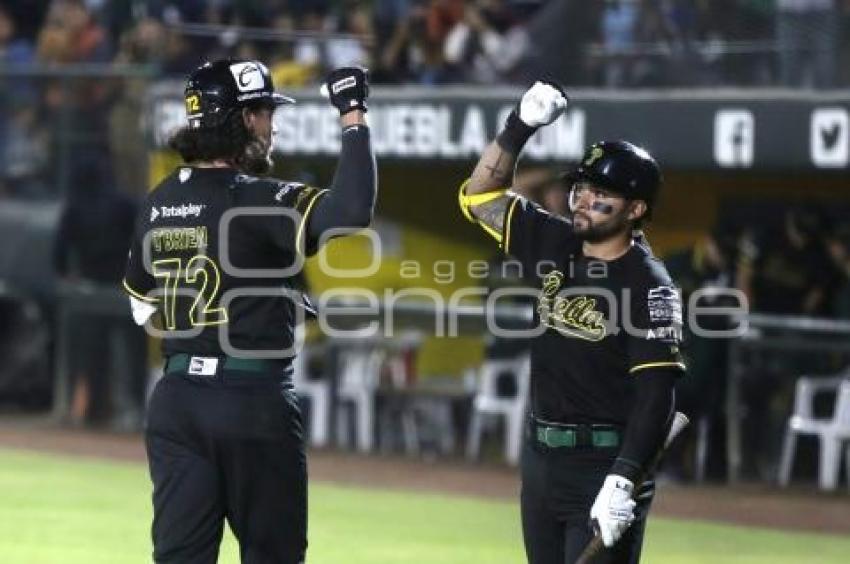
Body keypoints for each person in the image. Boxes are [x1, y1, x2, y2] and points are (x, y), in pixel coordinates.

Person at [122, 60, 375, 564]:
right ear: (237, 121)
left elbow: (139, 308)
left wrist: (253, 299)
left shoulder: (159, 201)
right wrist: (353, 114)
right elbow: (350, 210)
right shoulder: (256, 198)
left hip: (176, 401)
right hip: (250, 399)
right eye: (261, 111)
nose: (270, 124)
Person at [458, 81, 685, 563]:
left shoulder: (649, 284)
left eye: (601, 193)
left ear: (636, 209)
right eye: (582, 187)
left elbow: (657, 394)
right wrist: (519, 125)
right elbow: (478, 198)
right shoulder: (554, 241)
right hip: (542, 458)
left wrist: (623, 481)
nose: (582, 199)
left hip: (602, 465)